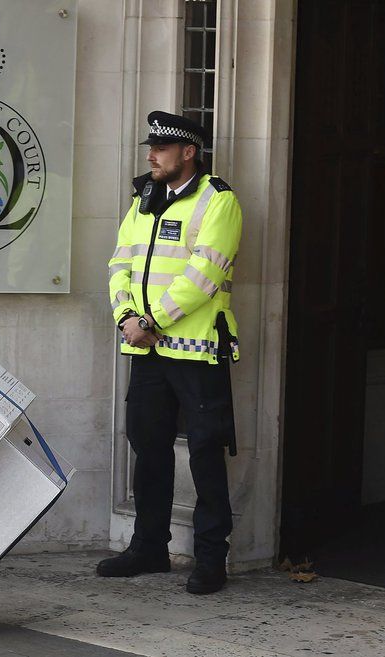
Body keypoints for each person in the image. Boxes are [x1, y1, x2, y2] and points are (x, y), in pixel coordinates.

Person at [100, 111, 242, 594]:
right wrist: (125, 318)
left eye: (160, 148)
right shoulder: (144, 199)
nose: (150, 155)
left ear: (188, 152)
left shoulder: (217, 200)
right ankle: (149, 548)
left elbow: (205, 275)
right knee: (149, 447)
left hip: (197, 350)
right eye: (150, 148)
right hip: (146, 349)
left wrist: (151, 321)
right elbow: (119, 262)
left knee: (204, 452)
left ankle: (210, 560)